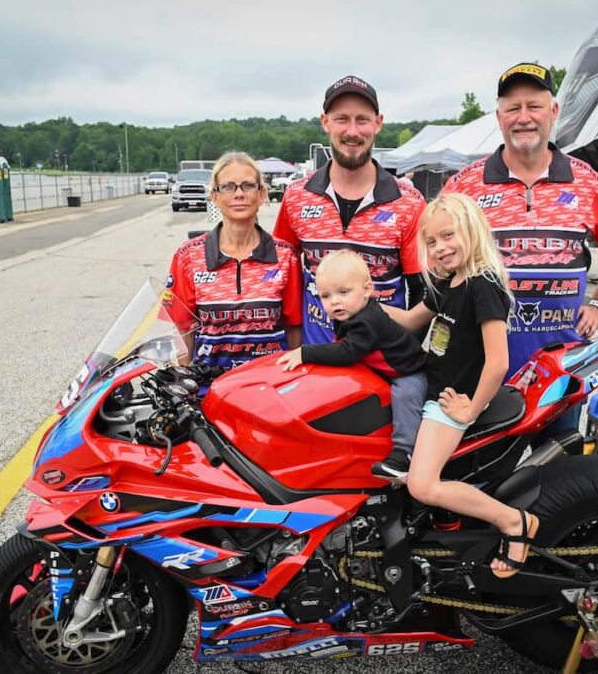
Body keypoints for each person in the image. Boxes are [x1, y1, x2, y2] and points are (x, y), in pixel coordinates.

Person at [442, 62, 598, 430]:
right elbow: (434, 259)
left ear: (554, 112)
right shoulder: (464, 185)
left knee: (556, 475)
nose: (524, 118)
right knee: (483, 478)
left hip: (558, 369)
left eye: (534, 106)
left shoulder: (586, 181)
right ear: (499, 117)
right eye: (513, 109)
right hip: (482, 370)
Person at [383, 193, 536, 579]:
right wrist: (361, 302)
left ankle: (514, 521)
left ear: (472, 230)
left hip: (452, 400)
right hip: (432, 387)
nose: (440, 248)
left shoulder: (483, 285)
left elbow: (498, 360)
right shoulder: (451, 282)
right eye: (431, 242)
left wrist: (470, 408)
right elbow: (409, 320)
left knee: (423, 485)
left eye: (448, 236)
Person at [273, 75, 427, 346]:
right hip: (317, 363)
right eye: (342, 119)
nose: (352, 131)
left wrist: (404, 354)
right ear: (325, 122)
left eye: (362, 120)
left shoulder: (409, 203)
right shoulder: (297, 196)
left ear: (378, 123)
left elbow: (421, 290)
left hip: (380, 365)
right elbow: (281, 280)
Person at [275, 250, 426, 480]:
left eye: (343, 292)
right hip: (382, 372)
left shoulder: (367, 320)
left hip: (411, 372)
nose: (335, 301)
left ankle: (405, 453)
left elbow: (347, 352)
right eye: (325, 296)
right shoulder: (349, 314)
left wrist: (306, 352)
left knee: (405, 395)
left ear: (367, 290)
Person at [165, 151, 302, 374]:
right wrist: (183, 383)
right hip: (208, 390)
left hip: (269, 386)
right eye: (228, 186)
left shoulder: (286, 256)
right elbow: (183, 329)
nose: (238, 194)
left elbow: (294, 327)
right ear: (214, 196)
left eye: (247, 185)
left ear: (262, 194)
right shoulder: (188, 256)